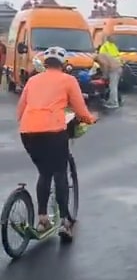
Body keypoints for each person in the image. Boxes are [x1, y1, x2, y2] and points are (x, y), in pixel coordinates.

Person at [16, 46, 96, 240]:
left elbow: (20, 111)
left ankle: (42, 218)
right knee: (60, 173)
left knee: (44, 172)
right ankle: (65, 223)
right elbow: (80, 110)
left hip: (28, 132)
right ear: (63, 64)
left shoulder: (33, 80)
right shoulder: (68, 80)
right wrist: (90, 119)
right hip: (53, 132)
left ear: (45, 63)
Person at [99, 35, 123, 108]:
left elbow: (104, 63)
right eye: (113, 37)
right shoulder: (113, 46)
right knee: (113, 86)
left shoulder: (105, 47)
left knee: (113, 86)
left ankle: (114, 103)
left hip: (113, 68)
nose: (115, 38)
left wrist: (104, 75)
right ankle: (111, 100)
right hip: (118, 67)